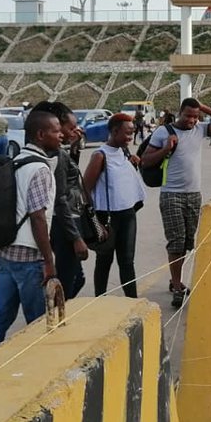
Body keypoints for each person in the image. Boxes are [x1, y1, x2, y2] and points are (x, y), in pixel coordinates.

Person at [0, 110, 62, 352]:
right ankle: (37, 365)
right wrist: (48, 260)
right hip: (29, 257)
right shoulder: (39, 169)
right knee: (37, 322)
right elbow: (38, 217)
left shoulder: (16, 160)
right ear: (41, 134)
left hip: (5, 251)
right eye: (56, 131)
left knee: (0, 314)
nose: (60, 135)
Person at [142, 98, 211, 307]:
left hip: (194, 194)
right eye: (188, 116)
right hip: (171, 194)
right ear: (179, 113)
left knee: (187, 243)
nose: (191, 120)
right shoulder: (163, 132)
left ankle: (175, 279)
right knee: (176, 241)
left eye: (195, 116)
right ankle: (177, 286)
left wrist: (204, 107)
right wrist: (165, 149)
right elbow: (146, 161)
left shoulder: (200, 129)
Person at [32, 101, 90, 300]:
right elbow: (60, 197)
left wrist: (74, 150)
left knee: (75, 278)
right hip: (66, 222)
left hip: (64, 220)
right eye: (71, 128)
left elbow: (68, 178)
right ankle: (56, 313)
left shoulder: (57, 153)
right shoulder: (58, 155)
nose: (76, 131)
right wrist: (76, 237)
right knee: (68, 282)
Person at [83, 113, 145, 298]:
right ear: (115, 131)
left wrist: (132, 162)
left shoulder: (124, 152)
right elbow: (85, 190)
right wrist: (95, 222)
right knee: (104, 260)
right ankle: (99, 300)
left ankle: (133, 302)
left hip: (128, 215)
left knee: (127, 262)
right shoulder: (99, 156)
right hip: (107, 217)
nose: (130, 137)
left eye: (132, 132)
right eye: (127, 133)